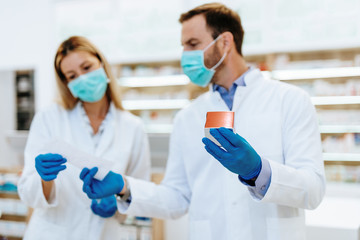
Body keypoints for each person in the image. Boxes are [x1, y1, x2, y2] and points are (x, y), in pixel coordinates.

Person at [79, 3, 325, 240]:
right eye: (183, 46)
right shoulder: (187, 117)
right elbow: (177, 197)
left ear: (225, 42)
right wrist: (125, 186)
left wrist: (259, 171)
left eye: (193, 44)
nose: (185, 55)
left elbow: (313, 190)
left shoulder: (290, 100)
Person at [17, 36, 151, 240]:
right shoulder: (49, 118)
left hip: (105, 233)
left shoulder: (133, 127)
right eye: (72, 75)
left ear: (102, 64)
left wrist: (119, 200)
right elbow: (27, 190)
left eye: (87, 67)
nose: (82, 78)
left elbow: (141, 188)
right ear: (66, 83)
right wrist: (45, 180)